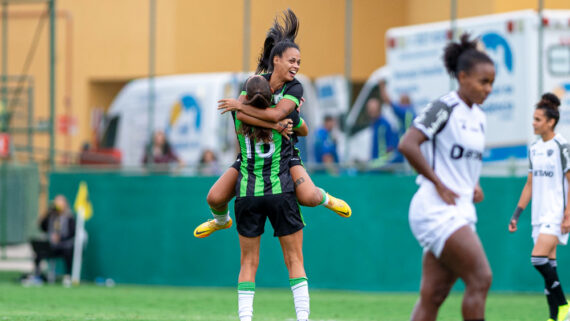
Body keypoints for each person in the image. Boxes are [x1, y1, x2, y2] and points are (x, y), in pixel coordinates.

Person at [194, 9, 351, 240]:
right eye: (292, 61)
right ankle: (221, 221)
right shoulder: (256, 84)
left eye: (298, 62)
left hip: (285, 156)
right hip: (252, 158)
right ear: (276, 60)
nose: (296, 66)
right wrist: (267, 121)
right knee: (214, 198)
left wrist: (243, 107)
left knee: (310, 198)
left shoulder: (294, 88)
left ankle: (327, 198)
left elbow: (298, 126)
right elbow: (243, 118)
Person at [398, 33, 495, 321]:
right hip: (435, 208)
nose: (488, 89)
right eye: (483, 82)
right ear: (462, 77)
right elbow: (408, 143)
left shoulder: (479, 117)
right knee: (481, 277)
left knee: (434, 294)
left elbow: (459, 157)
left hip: (461, 208)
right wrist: (438, 183)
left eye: (492, 82)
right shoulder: (444, 107)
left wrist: (472, 183)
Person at [234, 74, 310, 321]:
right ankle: (303, 317)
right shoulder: (284, 118)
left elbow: (245, 108)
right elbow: (303, 129)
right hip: (280, 192)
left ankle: (245, 318)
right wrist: (295, 110)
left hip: (247, 194)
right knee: (294, 259)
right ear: (271, 97)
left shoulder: (238, 117)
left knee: (248, 263)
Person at [508, 93, 570, 321]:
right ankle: (554, 317)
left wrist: (568, 215)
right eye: (533, 119)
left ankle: (564, 305)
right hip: (538, 214)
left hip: (556, 213)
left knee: (538, 259)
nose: (533, 123)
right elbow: (530, 185)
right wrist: (517, 214)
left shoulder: (562, 146)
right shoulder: (534, 148)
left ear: (550, 122)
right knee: (549, 266)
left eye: (537, 119)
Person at [30, 195, 76, 284]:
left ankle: (67, 276)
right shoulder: (51, 216)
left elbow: (72, 233)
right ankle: (37, 275)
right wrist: (47, 213)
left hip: (64, 246)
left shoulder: (69, 217)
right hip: (52, 246)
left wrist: (60, 238)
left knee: (68, 251)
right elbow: (43, 227)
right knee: (39, 251)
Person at [367, 97, 400, 164]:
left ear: (379, 109)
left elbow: (391, 147)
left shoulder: (384, 125)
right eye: (370, 109)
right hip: (375, 163)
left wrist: (384, 161)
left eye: (374, 109)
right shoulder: (373, 124)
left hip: (382, 165)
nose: (371, 112)